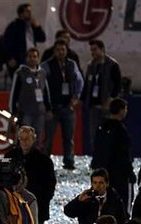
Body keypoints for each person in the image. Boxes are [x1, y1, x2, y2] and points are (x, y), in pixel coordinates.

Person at [7, 126, 56, 224]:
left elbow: (50, 185)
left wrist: (41, 202)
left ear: (34, 139)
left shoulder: (44, 161)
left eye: (27, 139)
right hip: (14, 210)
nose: (24, 142)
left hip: (36, 209)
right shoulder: (10, 156)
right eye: (22, 139)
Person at [41, 40, 83, 169]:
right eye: (58, 50)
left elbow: (79, 81)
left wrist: (76, 97)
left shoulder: (71, 64)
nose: (61, 52)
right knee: (48, 138)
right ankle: (44, 161)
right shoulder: (46, 65)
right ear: (54, 51)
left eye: (63, 50)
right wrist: (46, 105)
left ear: (66, 51)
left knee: (69, 137)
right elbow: (41, 85)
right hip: (53, 107)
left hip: (67, 107)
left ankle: (69, 161)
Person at [91, 98, 135, 215]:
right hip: (119, 174)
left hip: (103, 173)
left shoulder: (102, 127)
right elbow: (124, 154)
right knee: (123, 206)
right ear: (121, 111)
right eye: (125, 109)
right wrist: (130, 172)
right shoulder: (121, 130)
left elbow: (96, 148)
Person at [83, 40, 122, 154]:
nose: (92, 52)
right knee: (94, 135)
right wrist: (82, 100)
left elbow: (118, 85)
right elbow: (87, 85)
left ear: (102, 49)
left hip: (107, 107)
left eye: (95, 49)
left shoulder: (113, 65)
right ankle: (97, 158)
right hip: (94, 106)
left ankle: (109, 158)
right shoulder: (91, 65)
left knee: (109, 134)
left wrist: (111, 100)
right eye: (91, 50)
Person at [9, 48, 51, 143]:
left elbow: (46, 92)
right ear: (26, 58)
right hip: (25, 111)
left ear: (38, 58)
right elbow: (13, 94)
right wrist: (12, 112)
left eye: (34, 57)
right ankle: (23, 157)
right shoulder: (20, 72)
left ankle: (34, 157)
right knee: (25, 137)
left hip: (39, 112)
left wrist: (48, 108)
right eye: (30, 57)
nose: (32, 59)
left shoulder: (42, 73)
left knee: (38, 137)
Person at [2, 3, 46, 77]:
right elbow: (7, 43)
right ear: (21, 13)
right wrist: (10, 57)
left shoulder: (32, 26)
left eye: (30, 11)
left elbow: (42, 38)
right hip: (19, 58)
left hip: (32, 57)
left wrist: (38, 27)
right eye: (27, 11)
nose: (30, 13)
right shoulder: (13, 26)